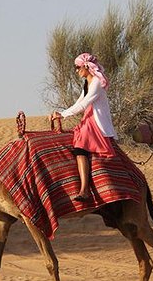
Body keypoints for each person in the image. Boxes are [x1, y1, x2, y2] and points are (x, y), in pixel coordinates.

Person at [50, 53, 117, 202]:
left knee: (80, 149)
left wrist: (63, 115)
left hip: (95, 121)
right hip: (88, 119)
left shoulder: (97, 83)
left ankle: (85, 190)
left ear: (86, 66)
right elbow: (79, 102)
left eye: (78, 67)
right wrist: (61, 113)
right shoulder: (87, 83)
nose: (76, 70)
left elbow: (84, 104)